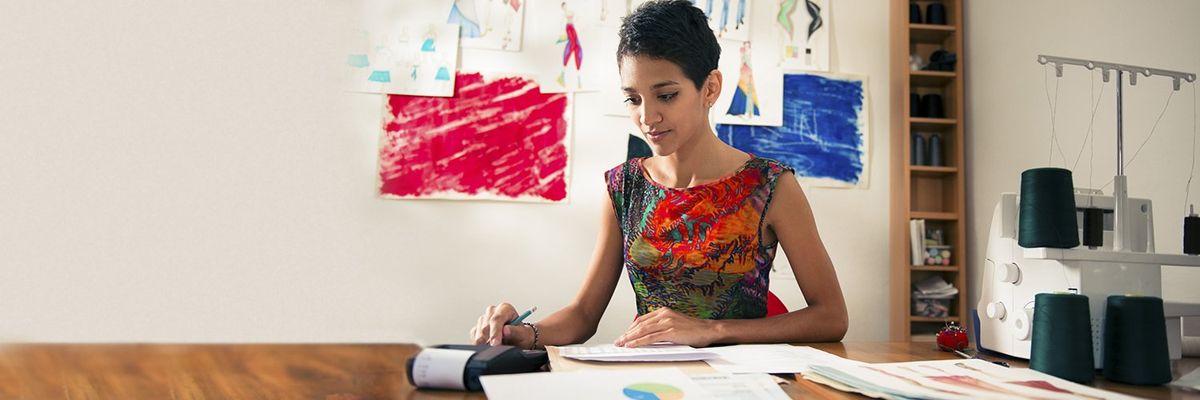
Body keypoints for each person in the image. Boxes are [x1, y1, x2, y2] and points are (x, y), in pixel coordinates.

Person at [469, 0, 847, 350]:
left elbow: (832, 317)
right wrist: (520, 333)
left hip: (743, 382)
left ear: (710, 88)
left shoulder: (770, 186)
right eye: (633, 99)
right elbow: (583, 315)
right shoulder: (623, 187)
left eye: (665, 95)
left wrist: (713, 330)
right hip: (651, 373)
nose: (647, 118)